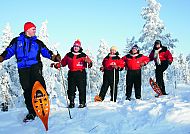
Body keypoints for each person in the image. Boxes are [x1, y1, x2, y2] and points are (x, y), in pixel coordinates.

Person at [0, 22, 61, 121]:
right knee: (27, 90)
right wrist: (2, 57)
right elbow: (9, 51)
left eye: (35, 29)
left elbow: (46, 52)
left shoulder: (37, 42)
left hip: (35, 66)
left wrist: (54, 57)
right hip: (23, 69)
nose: (35, 31)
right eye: (33, 29)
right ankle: (32, 112)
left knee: (39, 86)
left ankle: (43, 106)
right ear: (27, 29)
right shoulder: (17, 41)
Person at [51, 39, 92, 108]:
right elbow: (63, 62)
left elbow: (90, 64)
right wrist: (57, 65)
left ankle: (82, 103)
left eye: (77, 46)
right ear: (73, 47)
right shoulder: (69, 55)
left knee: (81, 88)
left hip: (81, 73)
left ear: (80, 48)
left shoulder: (83, 55)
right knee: (71, 89)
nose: (76, 47)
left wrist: (89, 62)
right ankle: (71, 102)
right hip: (72, 73)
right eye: (75, 46)